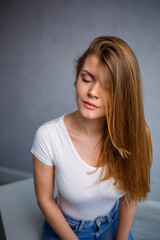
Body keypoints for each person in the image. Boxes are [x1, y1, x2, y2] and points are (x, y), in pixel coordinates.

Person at [31, 36, 153, 240]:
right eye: (86, 78)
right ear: (76, 78)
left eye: (108, 86)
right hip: (67, 230)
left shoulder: (137, 134)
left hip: (113, 224)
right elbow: (44, 199)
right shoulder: (48, 135)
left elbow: (129, 196)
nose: (92, 92)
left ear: (123, 94)